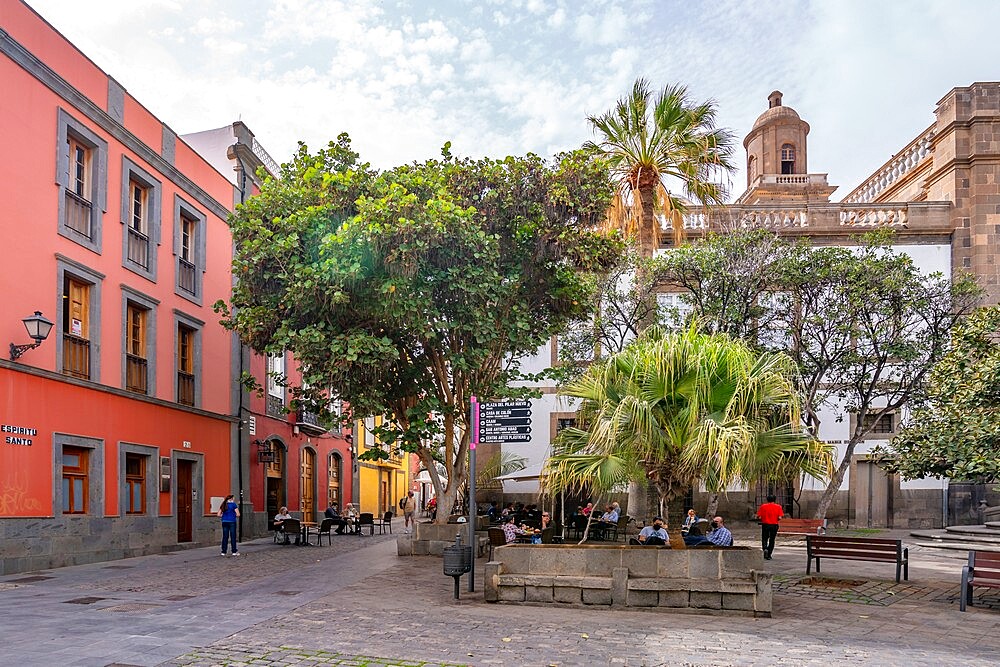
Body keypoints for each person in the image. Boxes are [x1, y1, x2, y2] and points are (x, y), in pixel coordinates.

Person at [756, 494, 784, 560]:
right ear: (775, 499)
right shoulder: (778, 507)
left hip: (765, 524)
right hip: (774, 525)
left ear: (767, 499)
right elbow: (780, 517)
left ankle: (765, 548)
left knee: (764, 538)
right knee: (772, 539)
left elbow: (758, 516)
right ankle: (769, 553)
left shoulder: (763, 506)